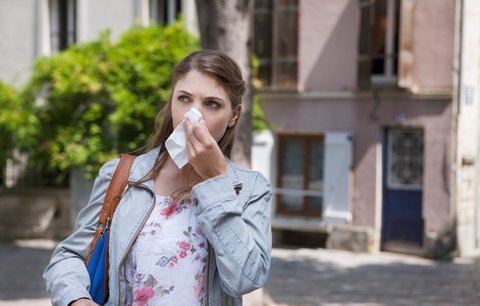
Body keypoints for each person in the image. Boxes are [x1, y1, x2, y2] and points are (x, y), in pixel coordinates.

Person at [44, 50, 273, 306]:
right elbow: (69, 256)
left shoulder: (251, 188)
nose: (192, 116)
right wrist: (77, 300)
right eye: (184, 99)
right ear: (171, 102)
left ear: (233, 115)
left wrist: (216, 182)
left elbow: (246, 279)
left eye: (212, 104)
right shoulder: (121, 175)